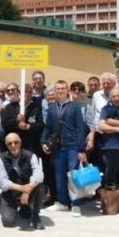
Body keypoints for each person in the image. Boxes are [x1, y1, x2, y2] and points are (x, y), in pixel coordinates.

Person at [41, 80, 87, 217]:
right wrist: (43, 141)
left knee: (74, 177)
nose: (60, 91)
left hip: (72, 147)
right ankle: (62, 203)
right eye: (58, 89)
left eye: (63, 88)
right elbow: (48, 128)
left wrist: (82, 150)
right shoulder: (52, 108)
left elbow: (80, 129)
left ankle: (76, 204)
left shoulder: (75, 107)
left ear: (67, 90)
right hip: (58, 149)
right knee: (59, 177)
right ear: (54, 91)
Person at [0, 133, 45, 230]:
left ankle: (35, 215)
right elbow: (3, 182)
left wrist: (28, 189)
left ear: (20, 143)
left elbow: (39, 175)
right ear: (6, 145)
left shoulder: (31, 155)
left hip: (29, 190)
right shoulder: (1, 158)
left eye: (16, 142)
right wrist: (23, 189)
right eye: (10, 143)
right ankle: (20, 209)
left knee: (40, 187)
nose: (13, 145)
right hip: (11, 193)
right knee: (8, 222)